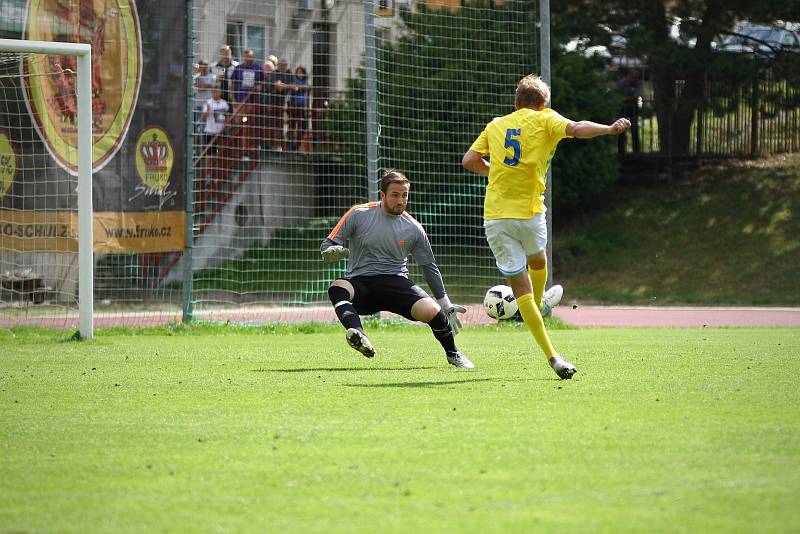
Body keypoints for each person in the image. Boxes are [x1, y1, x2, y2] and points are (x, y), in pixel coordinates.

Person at [462, 74, 630, 379]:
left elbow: (470, 160)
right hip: (529, 212)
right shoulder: (546, 119)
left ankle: (550, 349)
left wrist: (495, 173)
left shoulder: (496, 124)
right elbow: (578, 129)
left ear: (516, 103)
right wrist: (609, 129)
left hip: (496, 216)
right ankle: (540, 311)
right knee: (538, 261)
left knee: (521, 281)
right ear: (544, 104)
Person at [320, 170, 474, 369]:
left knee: (433, 312)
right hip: (361, 282)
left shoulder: (414, 228)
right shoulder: (359, 214)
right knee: (337, 288)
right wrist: (329, 251)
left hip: (396, 282)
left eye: (404, 195)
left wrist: (445, 303)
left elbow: (428, 266)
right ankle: (358, 335)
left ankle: (454, 354)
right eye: (395, 195)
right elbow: (329, 242)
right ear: (382, 195)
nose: (400, 200)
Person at [267, 58, 293, 151]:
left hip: (287, 104)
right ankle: (274, 145)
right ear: (278, 65)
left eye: (284, 65)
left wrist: (283, 85)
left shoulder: (289, 73)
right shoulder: (274, 73)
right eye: (281, 65)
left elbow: (294, 86)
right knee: (274, 125)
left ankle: (283, 146)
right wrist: (284, 86)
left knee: (285, 124)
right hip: (274, 104)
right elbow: (276, 86)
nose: (283, 66)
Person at [617, 68, 642, 154]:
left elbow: (637, 96)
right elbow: (619, 98)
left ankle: (636, 152)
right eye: (633, 77)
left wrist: (627, 98)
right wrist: (628, 99)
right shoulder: (621, 84)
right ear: (629, 76)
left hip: (634, 109)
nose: (635, 79)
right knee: (621, 131)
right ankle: (621, 152)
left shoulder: (638, 83)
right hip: (622, 109)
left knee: (635, 130)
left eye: (636, 77)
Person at [288, 66, 312, 151]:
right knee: (292, 125)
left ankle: (298, 144)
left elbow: (308, 87)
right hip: (293, 106)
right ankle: (291, 143)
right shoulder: (294, 81)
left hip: (302, 107)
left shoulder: (305, 82)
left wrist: (299, 87)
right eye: (298, 72)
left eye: (301, 72)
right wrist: (296, 87)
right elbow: (292, 87)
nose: (300, 74)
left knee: (301, 126)